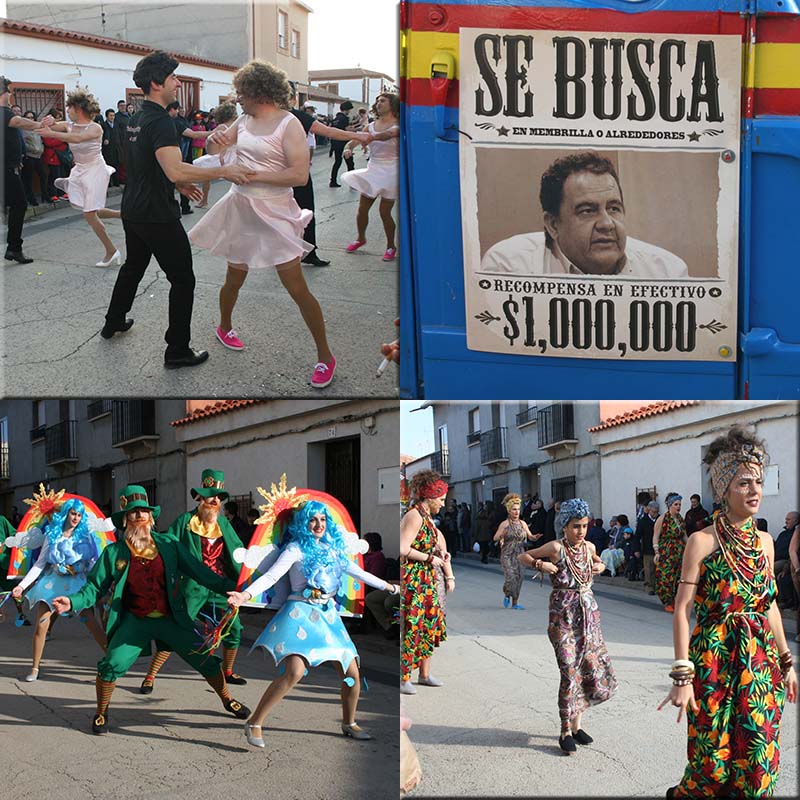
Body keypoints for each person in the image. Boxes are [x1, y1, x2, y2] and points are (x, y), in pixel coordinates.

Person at [659, 428, 797, 798]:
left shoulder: (765, 542)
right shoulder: (701, 541)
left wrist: (787, 661)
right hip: (713, 661)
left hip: (758, 664)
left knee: (757, 763)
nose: (754, 490)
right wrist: (681, 675)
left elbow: (768, 605)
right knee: (711, 766)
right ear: (723, 489)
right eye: (743, 483)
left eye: (758, 482)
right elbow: (683, 609)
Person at [51, 485, 251, 734]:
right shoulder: (114, 552)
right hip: (136, 621)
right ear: (125, 520)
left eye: (144, 511)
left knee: (206, 660)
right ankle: (101, 712)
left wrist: (236, 589)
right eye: (133, 513)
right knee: (111, 664)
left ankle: (226, 698)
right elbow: (93, 587)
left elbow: (200, 572)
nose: (139, 516)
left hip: (171, 619)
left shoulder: (169, 544)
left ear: (151, 517)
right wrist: (72, 602)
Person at [101, 51, 254, 369]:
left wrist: (178, 183)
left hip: (134, 208)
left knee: (133, 268)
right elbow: (174, 169)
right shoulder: (160, 122)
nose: (177, 81)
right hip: (156, 214)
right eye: (172, 77)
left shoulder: (136, 118)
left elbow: (149, 165)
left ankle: (113, 321)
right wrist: (222, 172)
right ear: (157, 84)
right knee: (183, 279)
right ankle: (177, 350)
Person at [190, 60, 336, 388]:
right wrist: (214, 140)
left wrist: (252, 175)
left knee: (297, 288)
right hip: (240, 207)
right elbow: (216, 147)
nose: (237, 98)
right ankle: (224, 326)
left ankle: (326, 356)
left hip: (274, 211)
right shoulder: (242, 120)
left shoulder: (289, 124)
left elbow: (299, 174)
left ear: (259, 91)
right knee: (233, 278)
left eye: (242, 92)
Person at [226, 499, 400, 745]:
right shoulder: (295, 549)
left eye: (323, 519)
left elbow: (360, 574)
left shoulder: (333, 551)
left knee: (351, 676)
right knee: (294, 672)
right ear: (303, 523)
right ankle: (254, 722)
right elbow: (272, 575)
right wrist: (244, 595)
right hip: (300, 615)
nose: (319, 524)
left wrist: (392, 588)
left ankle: (349, 722)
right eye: (313, 519)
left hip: (328, 619)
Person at [481, 152, 690, 278]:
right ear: (553, 225)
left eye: (614, 208)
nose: (607, 224)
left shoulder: (666, 272)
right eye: (588, 211)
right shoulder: (509, 266)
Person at [519, 498, 616, 753]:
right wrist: (541, 564)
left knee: (585, 669)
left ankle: (577, 726)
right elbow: (523, 555)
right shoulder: (556, 547)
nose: (580, 531)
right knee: (568, 671)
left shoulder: (589, 546)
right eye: (575, 526)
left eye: (584, 525)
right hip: (562, 617)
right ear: (564, 526)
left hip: (588, 615)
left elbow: (599, 561)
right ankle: (564, 730)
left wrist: (600, 566)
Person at [138, 470, 247, 694]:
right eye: (210, 496)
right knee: (176, 629)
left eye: (218, 497)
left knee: (234, 627)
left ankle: (227, 670)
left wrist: (249, 571)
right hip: (192, 586)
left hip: (219, 585)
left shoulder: (224, 524)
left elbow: (238, 553)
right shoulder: (185, 521)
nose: (215, 500)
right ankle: (150, 675)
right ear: (200, 498)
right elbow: (169, 546)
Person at [11, 498, 108, 681]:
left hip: (76, 582)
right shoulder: (52, 535)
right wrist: (22, 586)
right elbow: (40, 564)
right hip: (52, 582)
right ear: (65, 514)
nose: (76, 518)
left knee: (91, 623)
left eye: (79, 515)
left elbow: (93, 562)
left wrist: (100, 582)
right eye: (73, 513)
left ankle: (113, 662)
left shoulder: (85, 536)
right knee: (41, 625)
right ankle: (34, 668)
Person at [287, 83, 372, 267]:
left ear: (292, 98)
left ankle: (308, 252)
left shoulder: (298, 116)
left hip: (297, 173)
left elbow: (328, 131)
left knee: (306, 212)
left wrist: (357, 137)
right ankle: (282, 252)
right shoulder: (261, 116)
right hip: (275, 176)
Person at [37, 88, 122, 266]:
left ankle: (111, 252)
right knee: (94, 210)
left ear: (78, 108)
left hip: (95, 170)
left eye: (69, 108)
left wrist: (52, 133)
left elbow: (77, 139)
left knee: (89, 214)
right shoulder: (69, 125)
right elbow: (44, 126)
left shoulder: (95, 127)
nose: (67, 111)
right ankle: (124, 215)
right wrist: (49, 121)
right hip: (80, 171)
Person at [400, 469, 451, 695]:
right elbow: (403, 548)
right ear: (429, 497)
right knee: (413, 627)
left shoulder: (427, 517)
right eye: (440, 499)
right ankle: (403, 678)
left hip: (427, 578)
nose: (443, 503)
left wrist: (441, 555)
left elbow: (430, 545)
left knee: (428, 626)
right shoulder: (414, 515)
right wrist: (431, 558)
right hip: (414, 579)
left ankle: (424, 674)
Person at [342, 92, 400, 261]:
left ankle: (391, 246)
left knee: (384, 212)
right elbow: (354, 140)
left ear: (392, 105)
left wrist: (369, 137)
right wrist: (349, 148)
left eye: (383, 100)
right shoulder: (371, 125)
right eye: (377, 101)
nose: (379, 103)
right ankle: (361, 238)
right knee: (362, 209)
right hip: (373, 169)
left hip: (391, 170)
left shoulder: (398, 124)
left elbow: (387, 135)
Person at [2, 77, 55, 263]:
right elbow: (19, 122)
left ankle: (13, 247)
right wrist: (41, 124)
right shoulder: (4, 112)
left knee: (16, 204)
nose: (11, 95)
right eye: (9, 91)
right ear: (4, 93)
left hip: (10, 167)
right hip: (7, 169)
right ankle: (14, 248)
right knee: (19, 204)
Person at [493, 493, 536, 608]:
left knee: (519, 577)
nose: (517, 512)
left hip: (520, 553)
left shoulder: (523, 523)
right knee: (511, 576)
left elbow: (530, 536)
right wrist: (502, 535)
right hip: (507, 554)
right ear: (509, 511)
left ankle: (515, 603)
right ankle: (507, 593)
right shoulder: (505, 524)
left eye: (518, 509)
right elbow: (495, 538)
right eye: (514, 510)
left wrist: (534, 537)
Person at [654, 493, 687, 613]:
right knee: (666, 577)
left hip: (679, 552)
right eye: (676, 504)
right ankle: (667, 601)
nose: (678, 507)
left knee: (679, 577)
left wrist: (690, 548)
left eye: (679, 505)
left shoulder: (680, 519)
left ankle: (676, 601)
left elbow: (684, 536)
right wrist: (657, 552)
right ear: (670, 505)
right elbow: (656, 536)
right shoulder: (662, 518)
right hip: (666, 552)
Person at [21, 110, 48, 206]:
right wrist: (34, 149)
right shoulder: (23, 129)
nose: (30, 119)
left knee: (43, 175)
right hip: (29, 156)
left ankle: (45, 195)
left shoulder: (36, 128)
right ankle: (31, 198)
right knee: (28, 178)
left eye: (32, 117)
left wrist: (41, 148)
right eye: (28, 117)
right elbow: (23, 144)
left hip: (38, 156)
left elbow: (41, 140)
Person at [329, 100, 354, 187]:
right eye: (349, 110)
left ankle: (333, 181)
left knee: (337, 162)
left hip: (335, 143)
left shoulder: (335, 119)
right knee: (350, 163)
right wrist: (358, 129)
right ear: (346, 109)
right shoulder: (344, 118)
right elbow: (347, 129)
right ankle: (352, 182)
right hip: (343, 143)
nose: (349, 112)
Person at [636, 500, 659, 595]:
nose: (655, 514)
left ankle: (658, 586)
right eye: (653, 512)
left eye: (656, 512)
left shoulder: (660, 520)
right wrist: (636, 549)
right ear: (649, 510)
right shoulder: (643, 521)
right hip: (647, 548)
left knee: (658, 569)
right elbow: (637, 536)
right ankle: (649, 586)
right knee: (649, 569)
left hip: (658, 548)